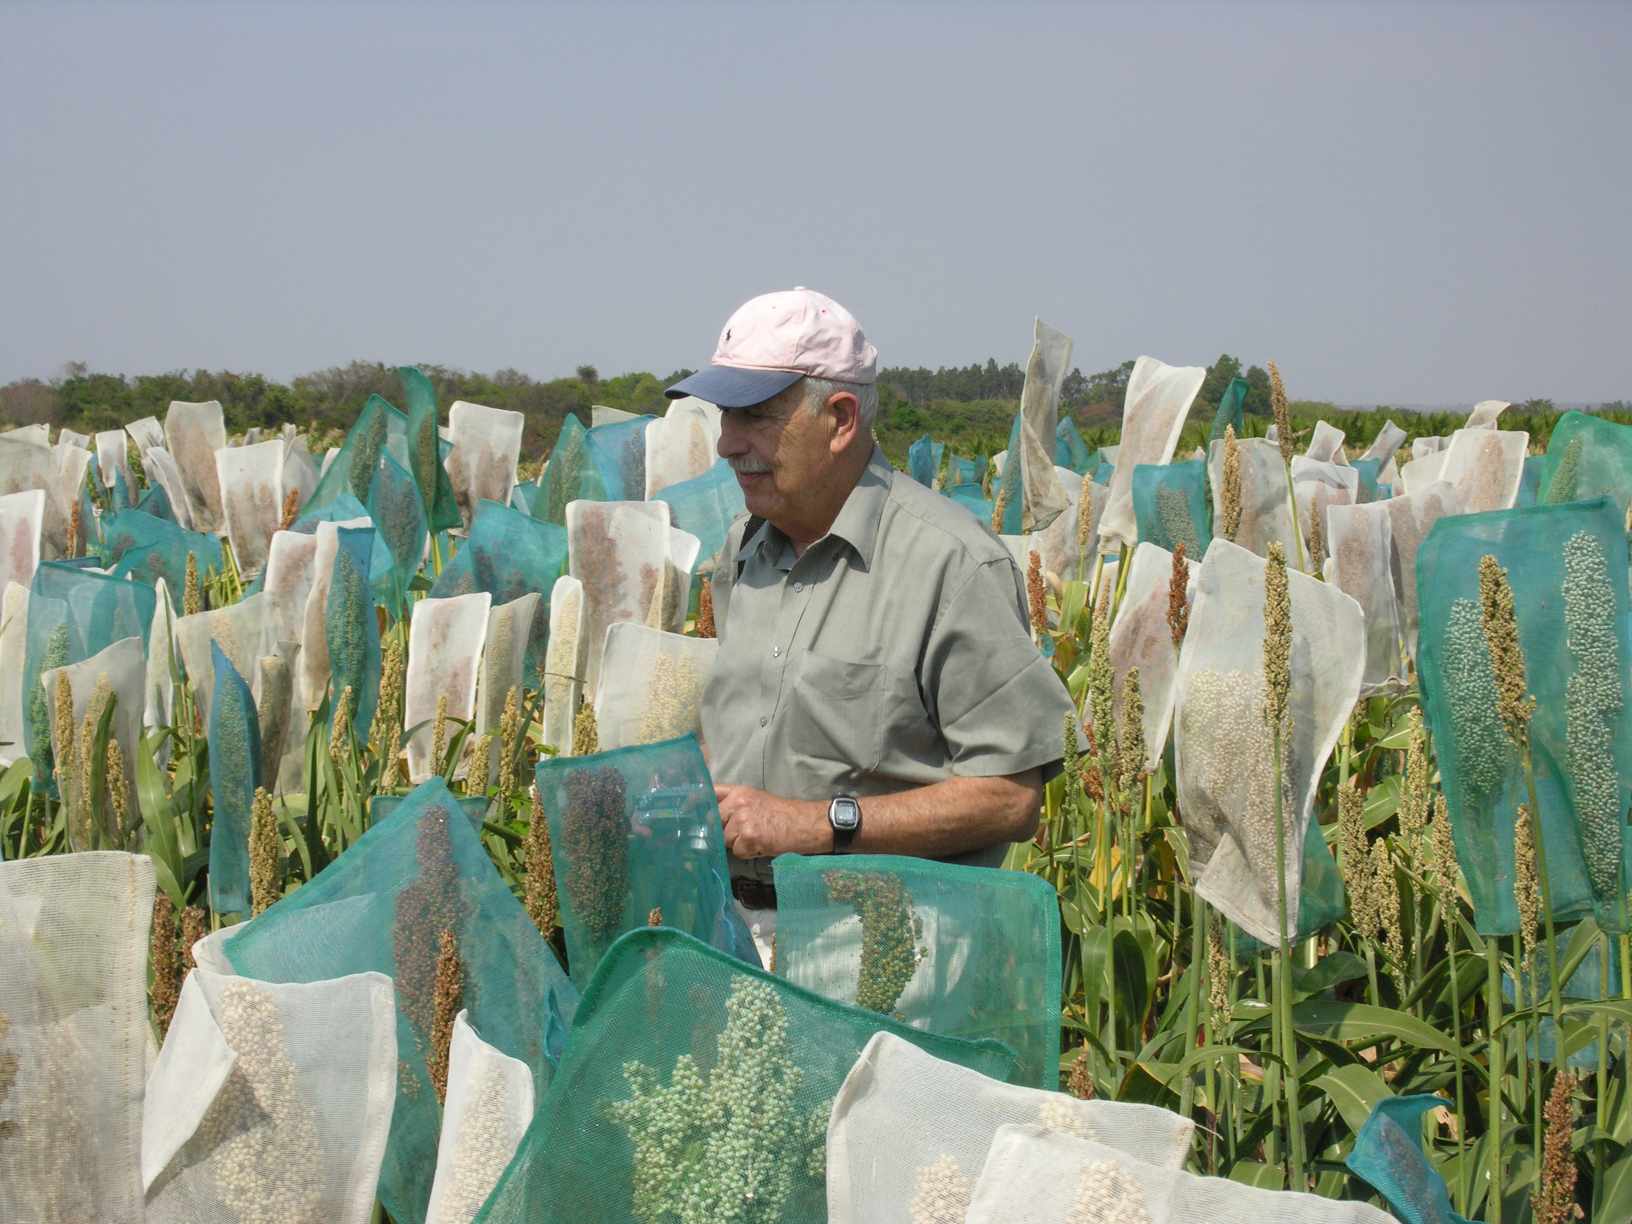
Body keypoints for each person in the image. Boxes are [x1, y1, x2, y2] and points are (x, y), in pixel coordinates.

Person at [665, 287, 1075, 957]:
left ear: (841, 417)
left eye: (754, 416)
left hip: (883, 949)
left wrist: (816, 825)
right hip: (732, 932)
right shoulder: (744, 552)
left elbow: (1010, 798)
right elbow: (751, 729)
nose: (726, 444)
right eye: (724, 416)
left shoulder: (952, 565)